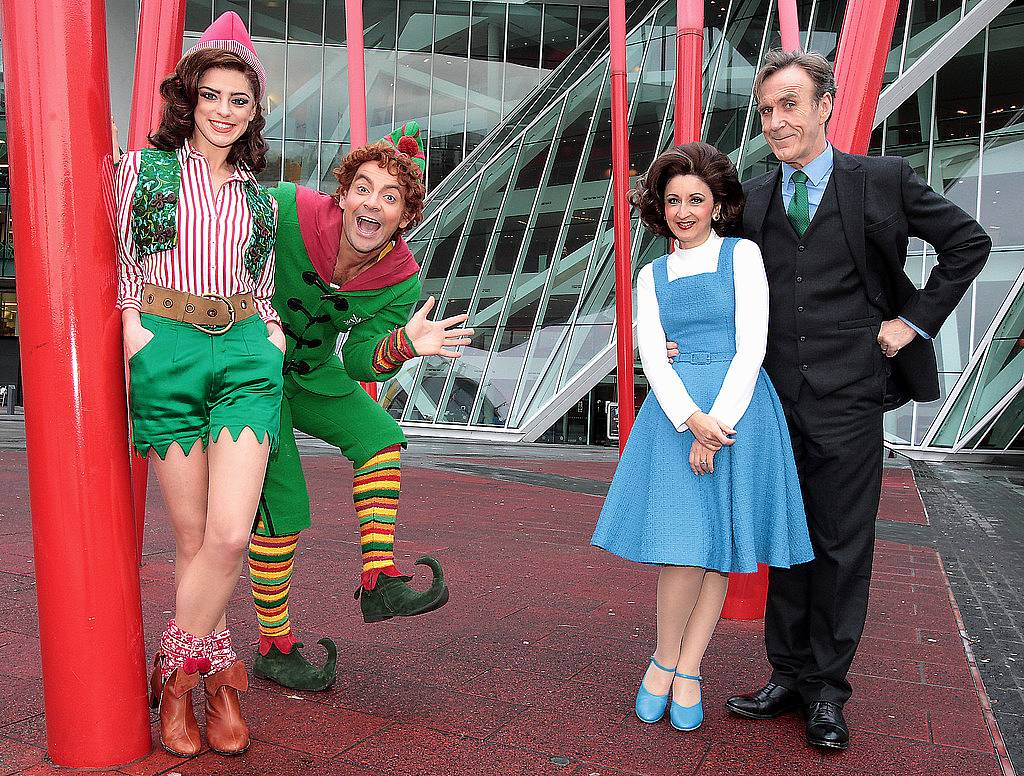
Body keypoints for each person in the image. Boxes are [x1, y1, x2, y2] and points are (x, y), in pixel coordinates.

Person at [674, 49, 991, 751]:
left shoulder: (882, 180)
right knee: (787, 540)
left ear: (825, 106)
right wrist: (676, 339)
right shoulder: (751, 198)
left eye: (789, 105)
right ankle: (786, 675)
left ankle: (827, 690)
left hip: (850, 394)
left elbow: (968, 243)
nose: (776, 121)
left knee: (842, 545)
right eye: (765, 110)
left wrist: (910, 324)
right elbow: (708, 272)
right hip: (771, 398)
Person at [591, 142, 814, 733]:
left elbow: (753, 345)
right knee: (682, 547)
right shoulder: (650, 273)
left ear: (718, 204)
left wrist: (717, 427)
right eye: (672, 201)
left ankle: (689, 668)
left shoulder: (742, 256)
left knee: (719, 549)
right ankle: (663, 661)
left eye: (696, 199)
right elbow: (652, 357)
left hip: (738, 412)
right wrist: (691, 420)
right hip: (674, 416)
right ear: (659, 209)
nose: (684, 210)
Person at [245, 121, 473, 691]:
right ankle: (273, 642)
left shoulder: (399, 278)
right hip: (254, 371)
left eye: (390, 197)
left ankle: (378, 578)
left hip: (315, 375)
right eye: (364, 188)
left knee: (380, 437)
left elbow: (359, 362)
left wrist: (405, 344)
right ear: (342, 194)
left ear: (405, 216)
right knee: (284, 509)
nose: (373, 204)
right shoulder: (284, 210)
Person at [114, 12, 282, 757]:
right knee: (190, 539)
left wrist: (271, 335)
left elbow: (266, 283)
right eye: (211, 95)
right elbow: (118, 265)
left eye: (238, 100)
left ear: (254, 111)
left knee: (230, 535)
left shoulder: (261, 200)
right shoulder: (138, 172)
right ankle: (217, 689)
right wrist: (133, 331)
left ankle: (174, 676)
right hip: (167, 342)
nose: (223, 110)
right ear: (188, 99)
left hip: (245, 348)